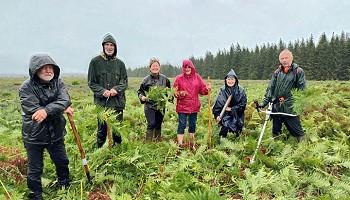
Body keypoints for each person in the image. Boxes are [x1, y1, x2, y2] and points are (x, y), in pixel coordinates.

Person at [19, 54, 74, 200]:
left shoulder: (59, 83)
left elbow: (65, 99)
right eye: (44, 68)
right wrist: (59, 108)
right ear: (35, 70)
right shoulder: (26, 88)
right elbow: (34, 111)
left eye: (50, 68)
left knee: (62, 161)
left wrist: (47, 110)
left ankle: (64, 186)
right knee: (35, 168)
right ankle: (35, 195)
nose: (48, 70)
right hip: (34, 134)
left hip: (56, 132)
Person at [88, 32, 128, 148]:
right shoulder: (95, 62)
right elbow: (92, 82)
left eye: (112, 45)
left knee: (117, 130)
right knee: (102, 130)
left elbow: (124, 82)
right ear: (103, 46)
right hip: (102, 104)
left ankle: (117, 153)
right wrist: (102, 91)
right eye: (107, 45)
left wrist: (116, 89)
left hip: (117, 103)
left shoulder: (120, 64)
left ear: (115, 48)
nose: (109, 47)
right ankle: (100, 152)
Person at [258, 49, 306, 142]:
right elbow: (270, 89)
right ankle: (277, 149)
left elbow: (302, 91)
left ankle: (303, 149)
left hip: (290, 107)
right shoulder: (277, 73)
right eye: (282, 58)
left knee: (297, 131)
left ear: (291, 58)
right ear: (280, 60)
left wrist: (299, 106)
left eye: (286, 58)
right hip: (276, 107)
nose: (284, 60)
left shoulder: (298, 72)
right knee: (276, 131)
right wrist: (263, 103)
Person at [173, 59, 211, 148]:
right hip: (182, 106)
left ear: (192, 67)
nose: (187, 69)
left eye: (188, 67)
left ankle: (191, 142)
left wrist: (207, 89)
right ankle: (180, 143)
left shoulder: (197, 77)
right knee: (182, 124)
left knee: (192, 125)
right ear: (183, 68)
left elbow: (202, 90)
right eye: (185, 67)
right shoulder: (179, 78)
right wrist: (180, 94)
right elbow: (174, 92)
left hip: (194, 106)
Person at [137, 58, 171, 141]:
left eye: (157, 66)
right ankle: (148, 142)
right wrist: (142, 97)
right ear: (150, 68)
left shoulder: (165, 79)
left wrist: (168, 99)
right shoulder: (146, 80)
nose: (155, 67)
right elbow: (140, 91)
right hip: (149, 105)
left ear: (159, 67)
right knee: (151, 123)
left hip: (160, 105)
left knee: (158, 124)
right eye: (153, 66)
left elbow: (169, 91)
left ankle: (158, 140)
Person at [212, 69, 247, 143]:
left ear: (235, 80)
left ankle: (235, 147)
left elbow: (243, 105)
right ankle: (221, 146)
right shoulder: (222, 90)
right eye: (229, 79)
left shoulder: (241, 90)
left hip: (237, 115)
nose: (230, 81)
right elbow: (218, 105)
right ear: (226, 80)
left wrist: (232, 109)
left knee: (237, 134)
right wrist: (217, 115)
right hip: (225, 115)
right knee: (225, 127)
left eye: (232, 79)